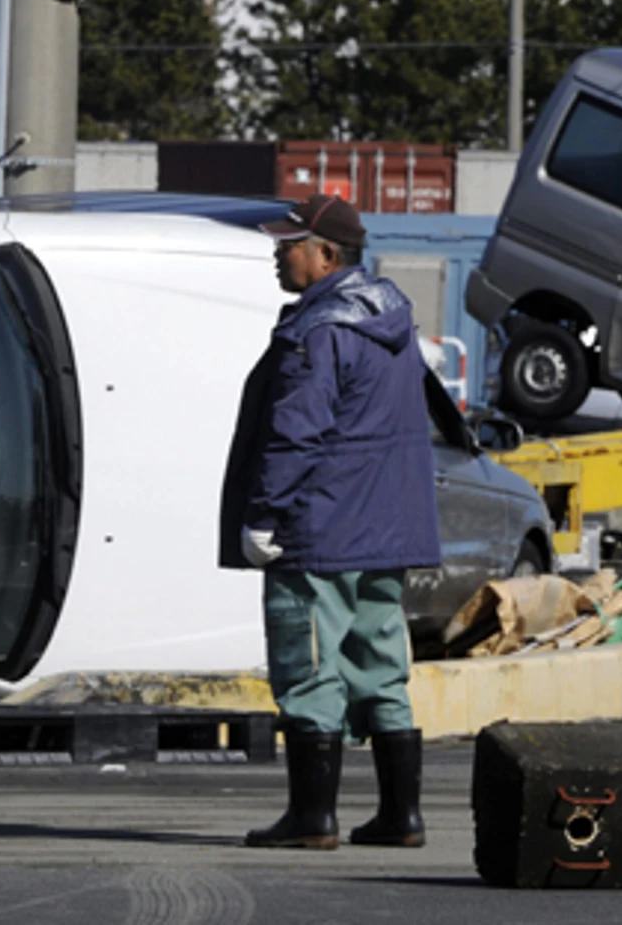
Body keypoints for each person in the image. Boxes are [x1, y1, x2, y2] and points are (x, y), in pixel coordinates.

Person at [218, 193, 442, 851]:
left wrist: (264, 516)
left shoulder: (320, 329)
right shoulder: (392, 320)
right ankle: (401, 816)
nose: (277, 255)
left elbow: (296, 433)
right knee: (381, 667)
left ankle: (312, 817)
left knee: (308, 667)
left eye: (288, 245)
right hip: (386, 531)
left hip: (320, 530)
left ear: (326, 254)